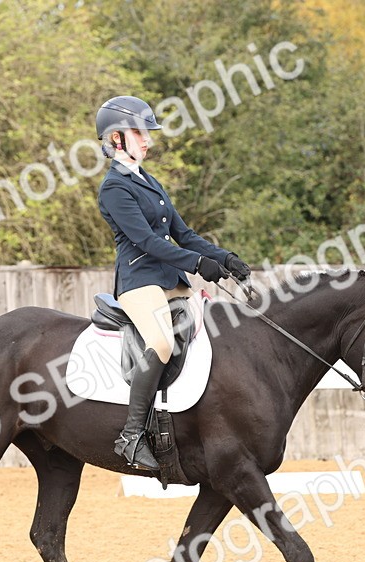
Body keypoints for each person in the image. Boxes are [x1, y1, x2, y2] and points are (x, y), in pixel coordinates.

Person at [95, 95, 252, 471]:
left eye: (146, 133)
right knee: (162, 342)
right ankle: (131, 436)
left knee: (216, 327)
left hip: (170, 279)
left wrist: (223, 257)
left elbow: (183, 234)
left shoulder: (149, 181)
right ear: (117, 139)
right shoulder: (114, 188)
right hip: (140, 282)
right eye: (138, 133)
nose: (147, 140)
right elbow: (147, 243)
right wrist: (198, 264)